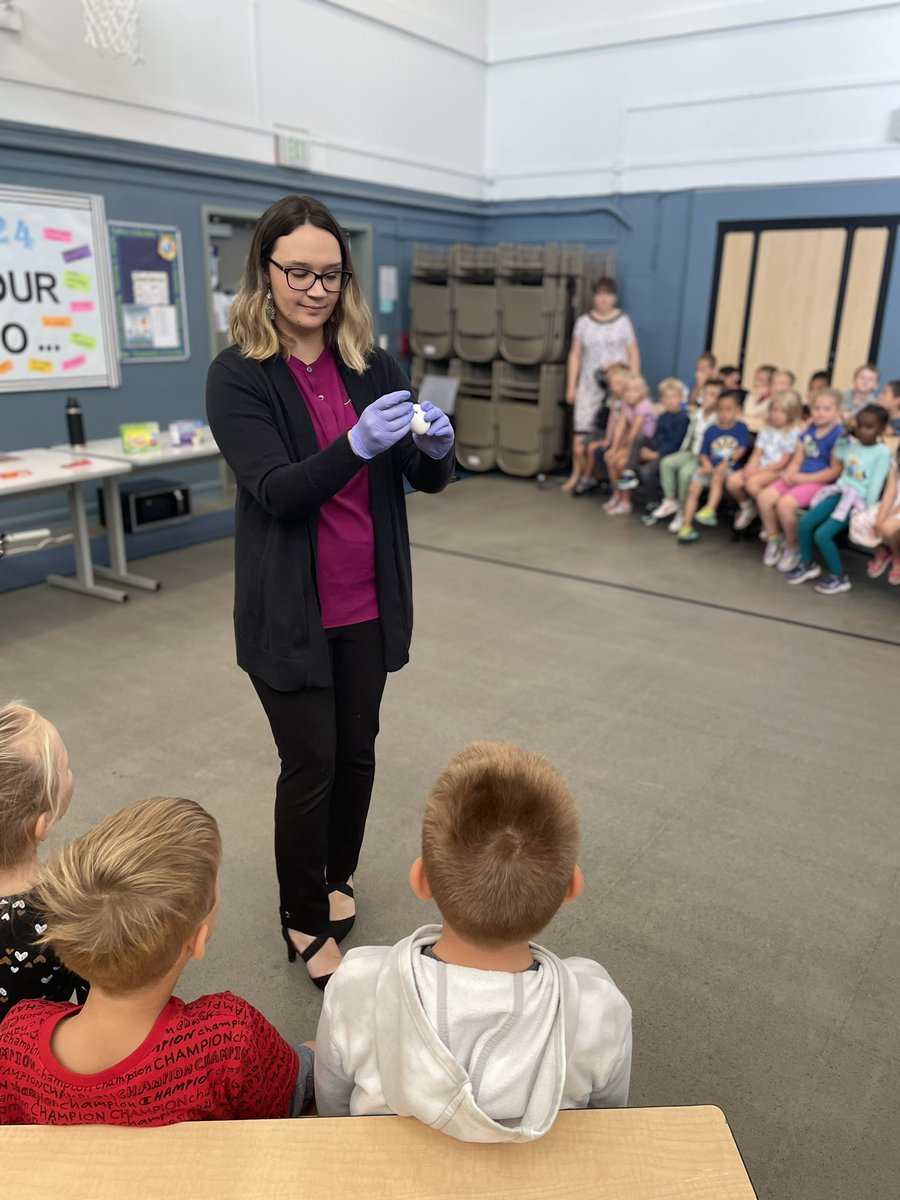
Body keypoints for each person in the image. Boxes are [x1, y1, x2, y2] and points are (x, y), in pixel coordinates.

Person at [206, 196, 455, 989]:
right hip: (291, 616)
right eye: (298, 272)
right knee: (309, 764)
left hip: (368, 605)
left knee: (356, 756)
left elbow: (413, 472)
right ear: (265, 271)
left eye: (330, 273)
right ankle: (302, 916)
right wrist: (352, 443)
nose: (315, 289)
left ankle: (336, 876)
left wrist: (436, 451)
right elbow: (279, 491)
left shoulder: (372, 364)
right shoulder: (238, 375)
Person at [314, 742, 631, 1141]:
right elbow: (609, 1121)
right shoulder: (598, 1005)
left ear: (421, 879)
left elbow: (333, 1105)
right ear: (572, 887)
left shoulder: (357, 984)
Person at [0, 797, 311, 1125]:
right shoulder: (230, 1036)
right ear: (198, 939)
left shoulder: (16, 1037)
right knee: (313, 1057)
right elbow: (270, 1118)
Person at [0, 702, 86, 1021]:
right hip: (30, 1060)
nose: (70, 772)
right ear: (43, 824)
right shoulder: (63, 913)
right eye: (65, 768)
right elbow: (95, 1004)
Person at [787, 405, 892, 594]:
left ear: (882, 430)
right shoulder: (853, 444)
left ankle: (839, 576)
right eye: (860, 426)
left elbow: (876, 484)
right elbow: (842, 455)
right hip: (839, 492)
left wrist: (866, 514)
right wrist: (844, 437)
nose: (863, 431)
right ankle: (807, 563)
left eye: (869, 427)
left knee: (823, 534)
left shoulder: (883, 452)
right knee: (804, 523)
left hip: (856, 501)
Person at [564, 279, 640, 493]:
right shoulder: (583, 323)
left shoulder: (623, 321)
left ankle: (601, 478)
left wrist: (632, 383)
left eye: (608, 294)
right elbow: (575, 355)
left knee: (613, 429)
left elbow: (633, 352)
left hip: (616, 387)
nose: (604, 298)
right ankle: (577, 474)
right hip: (589, 385)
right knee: (582, 432)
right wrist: (572, 386)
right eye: (600, 294)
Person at [756, 389, 844, 572]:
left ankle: (792, 546)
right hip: (799, 477)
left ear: (838, 411)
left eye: (827, 409)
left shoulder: (838, 435)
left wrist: (804, 478)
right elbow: (797, 459)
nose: (820, 413)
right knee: (764, 497)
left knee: (785, 505)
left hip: (819, 483)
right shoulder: (808, 431)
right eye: (817, 408)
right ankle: (774, 539)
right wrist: (790, 472)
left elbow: (835, 471)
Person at [645, 378, 723, 532]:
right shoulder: (697, 414)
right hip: (690, 452)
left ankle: (682, 510)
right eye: (705, 393)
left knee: (685, 473)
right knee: (667, 462)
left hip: (704, 456)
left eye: (712, 395)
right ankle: (669, 500)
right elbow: (689, 436)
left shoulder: (718, 419)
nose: (707, 397)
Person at [676, 390, 750, 542]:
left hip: (728, 468)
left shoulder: (741, 428)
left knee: (718, 475)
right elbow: (703, 452)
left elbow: (741, 449)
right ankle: (686, 526)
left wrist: (727, 462)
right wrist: (706, 464)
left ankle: (710, 509)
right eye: (721, 409)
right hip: (710, 467)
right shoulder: (711, 430)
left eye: (729, 409)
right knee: (694, 488)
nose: (724, 414)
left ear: (737, 410)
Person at [727, 389, 804, 531]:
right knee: (733, 481)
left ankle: (769, 515)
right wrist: (750, 467)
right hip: (761, 467)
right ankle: (748, 508)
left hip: (777, 470)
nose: (776, 415)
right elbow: (757, 452)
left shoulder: (794, 432)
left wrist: (757, 471)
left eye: (782, 412)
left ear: (792, 414)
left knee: (752, 484)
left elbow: (783, 462)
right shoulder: (767, 428)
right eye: (774, 410)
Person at [618, 377, 689, 503]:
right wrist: (647, 451)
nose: (670, 401)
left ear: (681, 398)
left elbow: (676, 443)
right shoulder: (663, 417)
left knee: (647, 471)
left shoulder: (683, 418)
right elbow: (657, 437)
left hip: (671, 454)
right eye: (667, 397)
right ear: (661, 399)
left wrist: (656, 455)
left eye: (674, 397)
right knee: (640, 436)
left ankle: (653, 502)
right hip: (658, 448)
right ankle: (629, 473)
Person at [603, 373, 657, 515]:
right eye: (627, 390)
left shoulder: (644, 405)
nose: (630, 394)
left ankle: (626, 502)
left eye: (635, 390)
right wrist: (614, 448)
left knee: (621, 463)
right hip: (633, 444)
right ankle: (617, 493)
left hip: (646, 445)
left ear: (642, 392)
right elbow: (620, 427)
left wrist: (625, 451)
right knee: (610, 458)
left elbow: (634, 432)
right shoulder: (626, 405)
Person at [571, 362, 629, 496]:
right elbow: (598, 374)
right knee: (578, 449)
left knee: (592, 449)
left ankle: (586, 479)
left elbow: (617, 424)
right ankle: (592, 478)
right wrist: (610, 366)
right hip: (598, 429)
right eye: (611, 380)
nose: (612, 384)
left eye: (616, 381)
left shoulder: (624, 399)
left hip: (607, 434)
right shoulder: (609, 392)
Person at [849, 443, 900, 585]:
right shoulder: (897, 462)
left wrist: (891, 516)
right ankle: (883, 551)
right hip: (895, 503)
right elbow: (890, 493)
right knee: (860, 522)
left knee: (888, 528)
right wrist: (881, 516)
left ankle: (897, 558)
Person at [842, 364, 880, 428]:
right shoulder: (841, 397)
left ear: (876, 385)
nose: (865, 381)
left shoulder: (875, 406)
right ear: (854, 380)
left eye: (870, 379)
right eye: (862, 377)